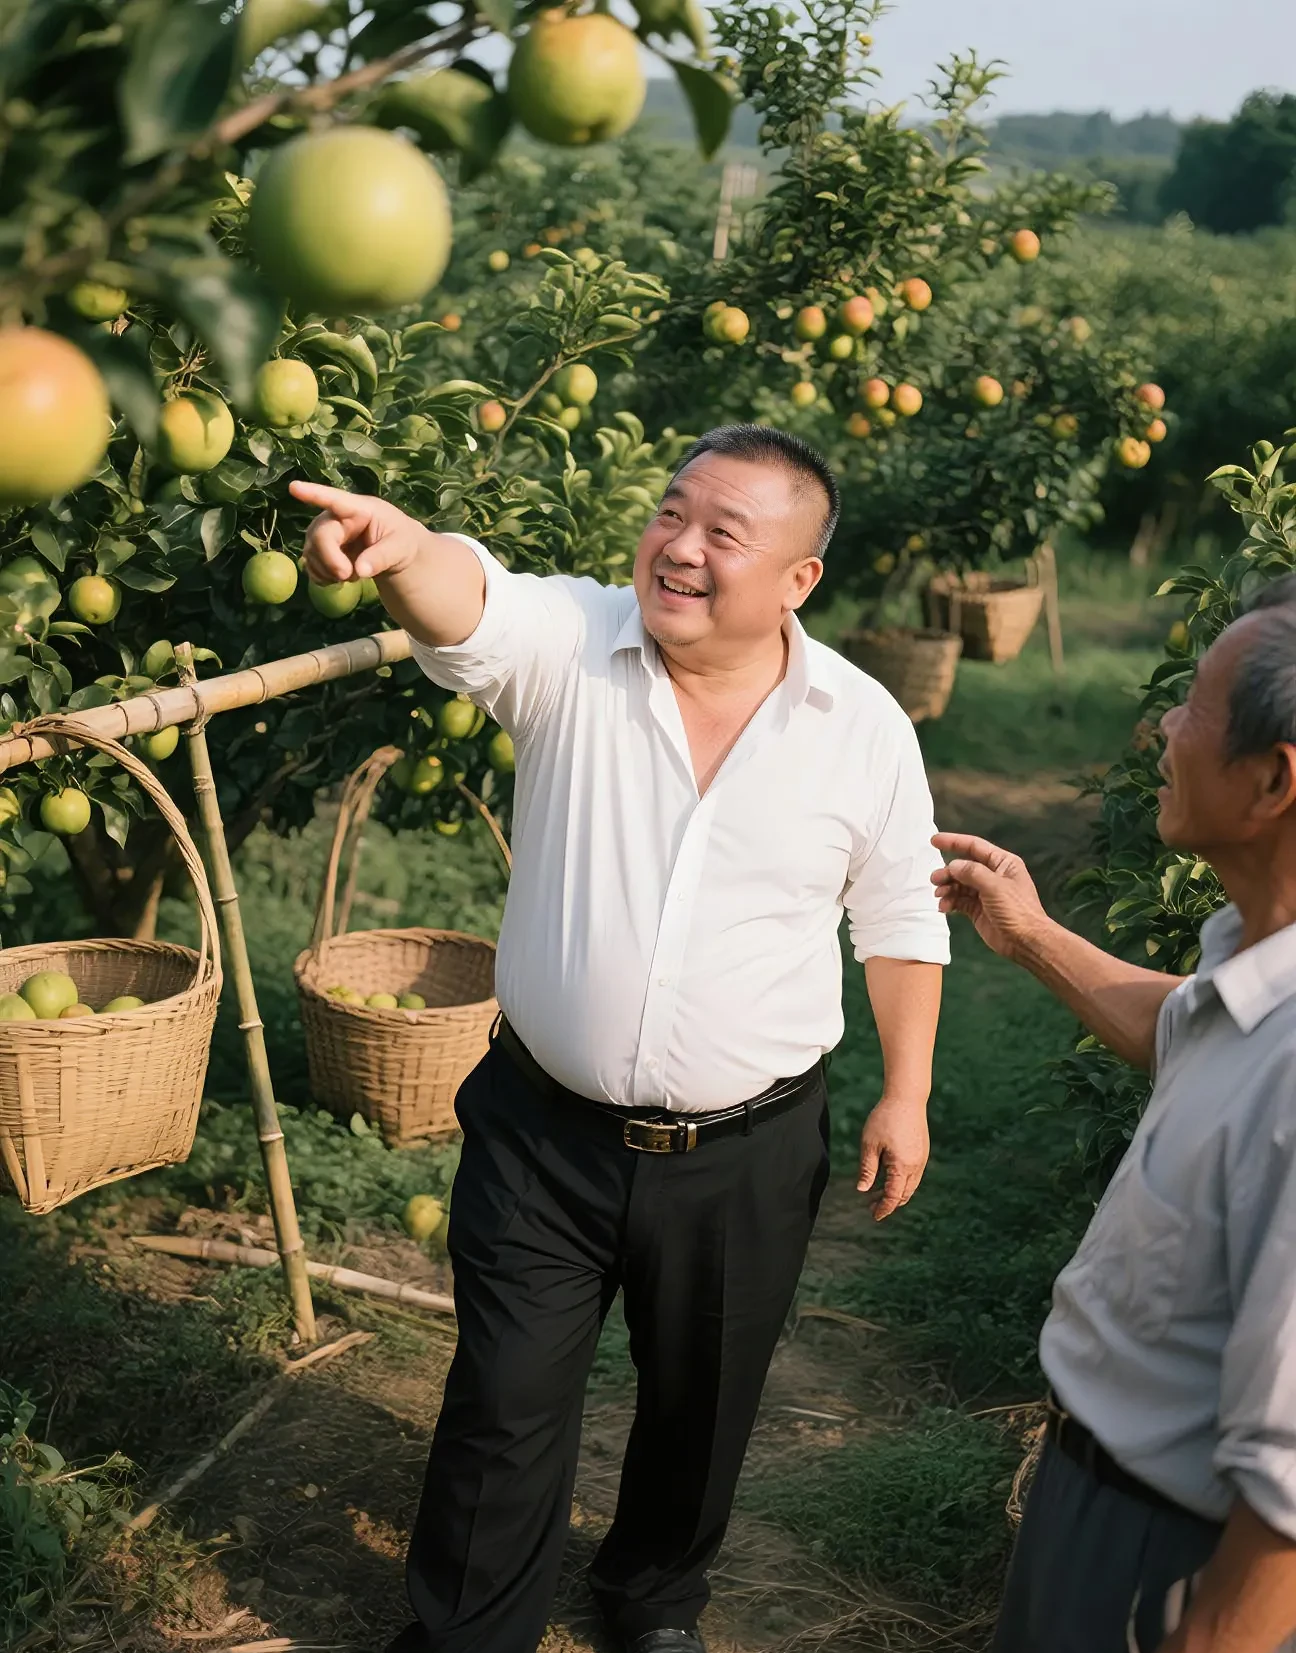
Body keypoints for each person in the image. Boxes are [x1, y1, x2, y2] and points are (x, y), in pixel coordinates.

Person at [291, 423, 948, 1653]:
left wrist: (905, 1089)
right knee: (503, 1402)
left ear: (799, 578)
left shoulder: (860, 727)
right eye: (669, 511)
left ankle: (653, 1598)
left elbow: (903, 913)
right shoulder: (579, 644)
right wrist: (401, 547)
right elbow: (472, 599)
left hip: (747, 1148)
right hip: (545, 1132)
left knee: (703, 1403)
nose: (679, 549)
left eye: (722, 533)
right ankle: (466, 1632)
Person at [933, 576, 1296, 1653]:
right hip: (1098, 1502)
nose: (1163, 731)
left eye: (1193, 710)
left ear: (1274, 780)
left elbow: (1288, 1488)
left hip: (1177, 1557)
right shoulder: (1254, 966)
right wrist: (1032, 932)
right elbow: (1183, 1025)